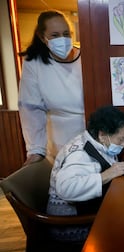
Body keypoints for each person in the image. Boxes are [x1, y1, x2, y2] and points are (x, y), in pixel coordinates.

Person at [46, 105, 124, 242]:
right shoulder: (79, 153)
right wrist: (106, 175)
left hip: (86, 210)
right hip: (70, 224)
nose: (123, 144)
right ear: (102, 134)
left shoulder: (95, 142)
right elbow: (66, 188)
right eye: (120, 139)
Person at [18, 10, 84, 166]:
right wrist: (35, 150)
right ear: (43, 37)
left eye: (66, 33)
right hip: (60, 143)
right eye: (55, 35)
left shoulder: (86, 57)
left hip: (92, 136)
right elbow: (30, 108)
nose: (62, 39)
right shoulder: (34, 63)